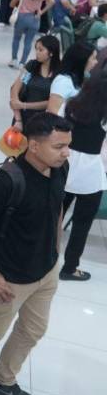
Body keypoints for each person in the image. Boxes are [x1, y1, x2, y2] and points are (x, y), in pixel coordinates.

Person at [0, 112, 71, 395]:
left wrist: (56, 248)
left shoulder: (60, 168)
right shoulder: (8, 181)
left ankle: (4, 379)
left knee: (33, 329)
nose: (66, 153)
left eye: (68, 145)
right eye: (59, 146)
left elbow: (57, 206)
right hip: (8, 277)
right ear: (34, 146)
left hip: (46, 271)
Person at [59, 72, 107, 281]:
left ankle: (41, 257)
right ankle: (69, 268)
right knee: (81, 224)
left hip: (64, 167)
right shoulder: (104, 117)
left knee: (52, 217)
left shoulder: (70, 106)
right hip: (91, 176)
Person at [9, 35, 60, 131]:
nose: (37, 53)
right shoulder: (32, 66)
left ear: (51, 53)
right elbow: (15, 88)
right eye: (36, 49)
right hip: (22, 119)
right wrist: (18, 119)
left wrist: (23, 105)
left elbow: (53, 102)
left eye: (41, 50)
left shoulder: (59, 74)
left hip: (43, 121)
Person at [9, 0, 54, 68]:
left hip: (21, 17)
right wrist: (42, 11)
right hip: (35, 18)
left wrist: (19, 7)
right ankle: (22, 63)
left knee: (16, 39)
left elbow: (11, 4)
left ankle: (14, 59)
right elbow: (52, 2)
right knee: (28, 41)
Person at [46, 41, 97, 115]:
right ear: (82, 59)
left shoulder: (77, 79)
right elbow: (52, 114)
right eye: (93, 58)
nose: (96, 62)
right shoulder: (64, 81)